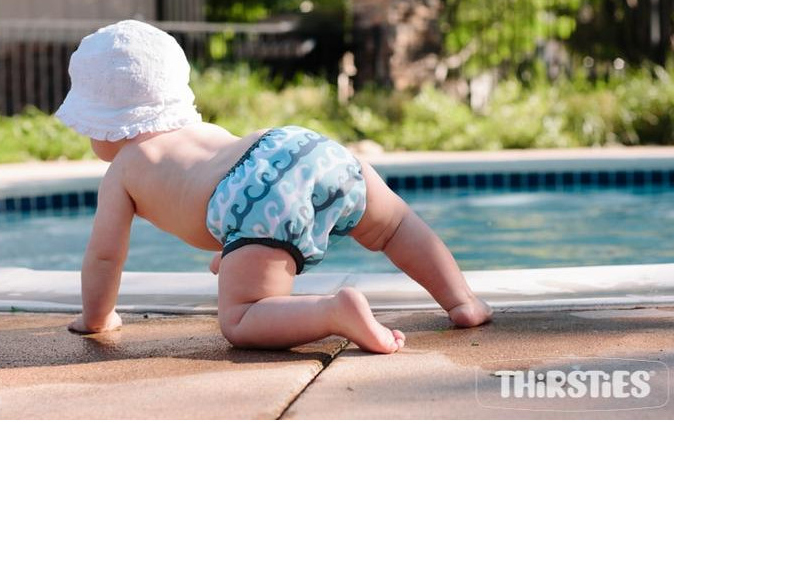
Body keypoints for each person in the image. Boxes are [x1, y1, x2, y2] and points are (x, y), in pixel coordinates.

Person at [56, 21, 492, 354]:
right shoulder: (205, 132)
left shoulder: (125, 169)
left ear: (102, 123)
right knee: (394, 226)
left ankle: (334, 312)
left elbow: (105, 256)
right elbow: (246, 185)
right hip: (301, 147)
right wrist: (233, 255)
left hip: (252, 200)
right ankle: (462, 302)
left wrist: (97, 318)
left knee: (240, 319)